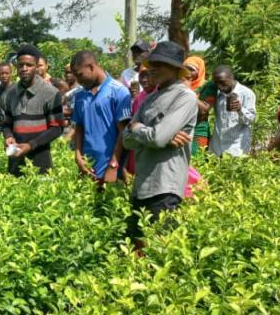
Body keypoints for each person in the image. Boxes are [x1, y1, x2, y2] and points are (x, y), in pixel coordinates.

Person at [122, 41, 198, 248]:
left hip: (165, 187)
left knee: (158, 251)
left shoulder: (185, 97)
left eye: (159, 64)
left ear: (175, 69)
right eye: (151, 64)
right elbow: (126, 140)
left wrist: (139, 128)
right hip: (142, 185)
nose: (152, 69)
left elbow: (156, 138)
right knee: (136, 248)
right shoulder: (149, 98)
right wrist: (156, 135)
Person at [71, 50, 133, 184]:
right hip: (87, 168)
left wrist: (113, 165)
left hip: (110, 169)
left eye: (80, 75)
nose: (78, 81)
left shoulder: (118, 91)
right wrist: (78, 156)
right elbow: (79, 127)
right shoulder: (80, 95)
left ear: (91, 67)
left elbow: (123, 131)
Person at [2, 44, 64, 176]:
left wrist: (31, 145)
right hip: (15, 159)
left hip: (41, 160)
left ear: (36, 66)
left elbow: (57, 128)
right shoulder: (11, 93)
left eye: (29, 65)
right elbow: (7, 124)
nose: (24, 69)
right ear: (16, 67)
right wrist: (9, 137)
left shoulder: (51, 93)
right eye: (21, 65)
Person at [207, 66, 256, 157]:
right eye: (216, 83)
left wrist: (240, 110)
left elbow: (251, 120)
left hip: (236, 147)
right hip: (217, 146)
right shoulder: (217, 93)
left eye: (222, 82)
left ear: (231, 77)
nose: (219, 86)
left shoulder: (246, 93)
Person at [125, 66, 155, 176]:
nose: (144, 80)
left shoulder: (162, 95)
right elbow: (130, 127)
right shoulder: (138, 99)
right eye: (142, 76)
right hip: (138, 150)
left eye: (148, 75)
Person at [184, 56, 210, 152]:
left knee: (197, 158)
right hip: (181, 130)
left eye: (191, 69)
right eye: (185, 68)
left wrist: (187, 90)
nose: (187, 72)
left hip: (199, 130)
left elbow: (204, 110)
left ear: (199, 72)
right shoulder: (179, 84)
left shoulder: (207, 86)